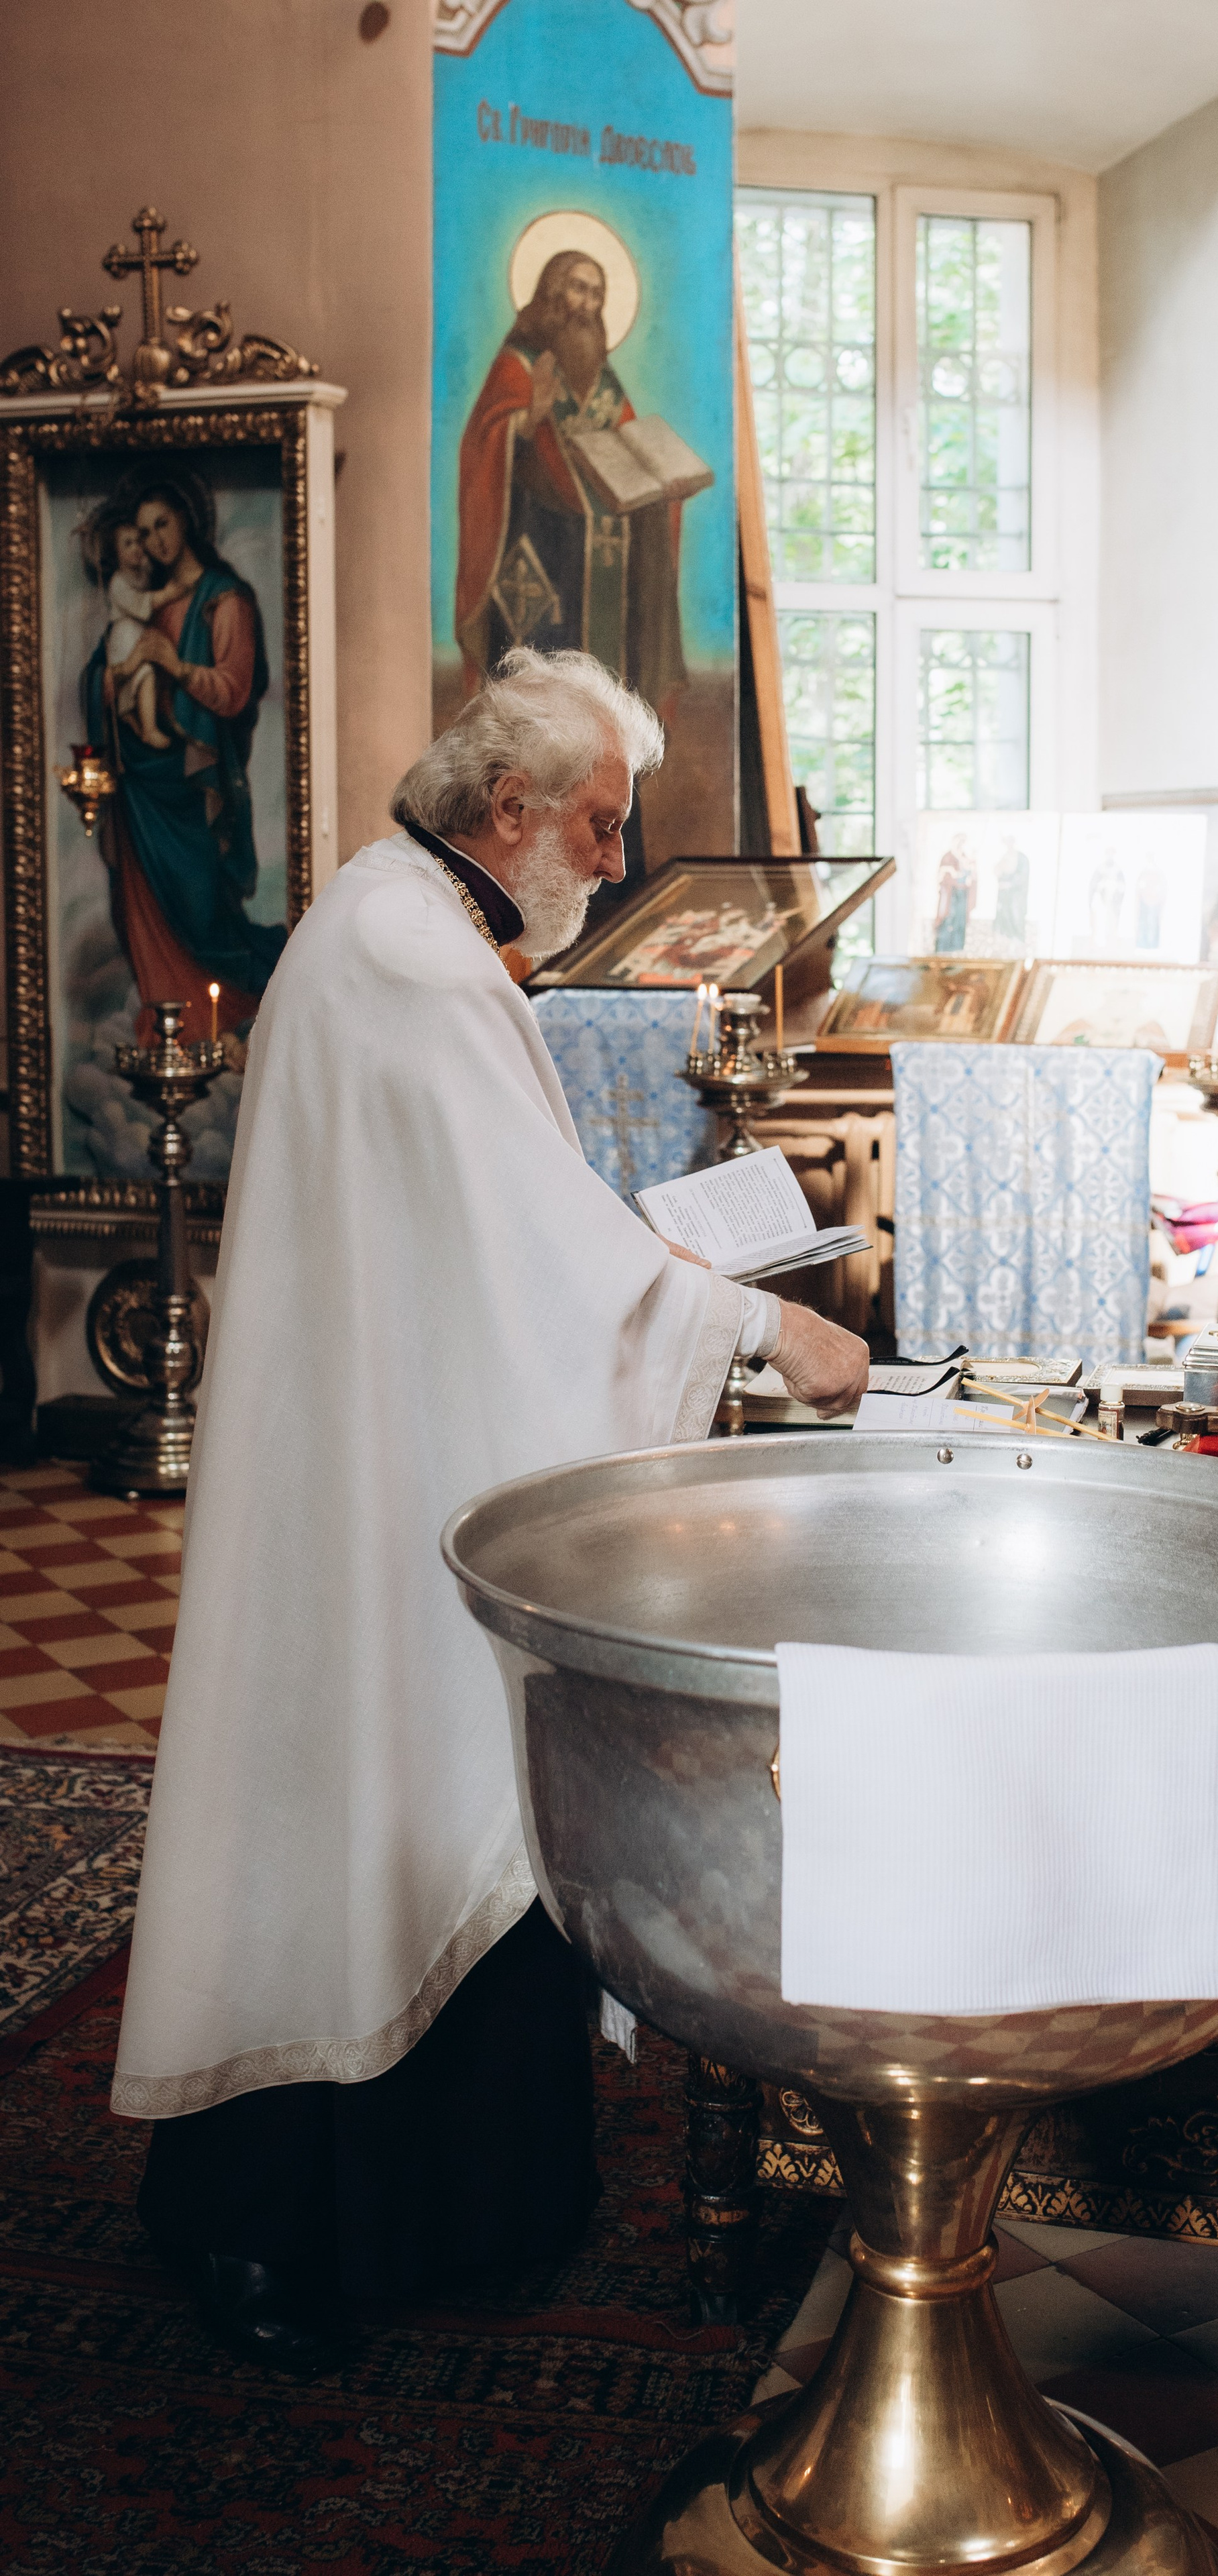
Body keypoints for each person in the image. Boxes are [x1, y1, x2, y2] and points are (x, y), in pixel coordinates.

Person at [112, 647, 871, 2375]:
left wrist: (661, 1278)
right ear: (509, 807)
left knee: (394, 1798)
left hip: (381, 1441)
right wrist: (761, 1319)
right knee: (365, 1809)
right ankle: (276, 2223)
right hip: (368, 1477)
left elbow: (504, 1230)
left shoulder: (407, 925)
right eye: (601, 825)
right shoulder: (404, 948)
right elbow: (542, 1248)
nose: (612, 863)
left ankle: (431, 2207)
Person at [84, 472, 286, 1040]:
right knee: (139, 905)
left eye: (162, 525)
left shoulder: (224, 601)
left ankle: (235, 1008)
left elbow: (233, 690)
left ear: (187, 520)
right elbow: (103, 675)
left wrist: (170, 665)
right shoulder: (142, 603)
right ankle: (169, 1018)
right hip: (138, 785)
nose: (153, 542)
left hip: (194, 787)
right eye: (143, 532)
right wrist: (109, 678)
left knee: (200, 910)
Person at [455, 251, 686, 708]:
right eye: (579, 288)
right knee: (539, 691)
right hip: (541, 548)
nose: (588, 303)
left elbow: (632, 452)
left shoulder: (603, 380)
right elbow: (485, 441)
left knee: (604, 694)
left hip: (603, 559)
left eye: (597, 293)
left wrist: (662, 488)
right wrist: (528, 417)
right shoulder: (518, 364)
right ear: (552, 291)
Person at [103, 521, 170, 750]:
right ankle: (150, 730)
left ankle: (131, 716)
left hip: (139, 633)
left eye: (139, 542)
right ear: (117, 554)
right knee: (145, 672)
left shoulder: (143, 570)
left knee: (150, 673)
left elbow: (154, 567)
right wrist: (170, 593)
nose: (136, 548)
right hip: (125, 638)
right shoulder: (117, 583)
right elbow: (142, 604)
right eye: (128, 544)